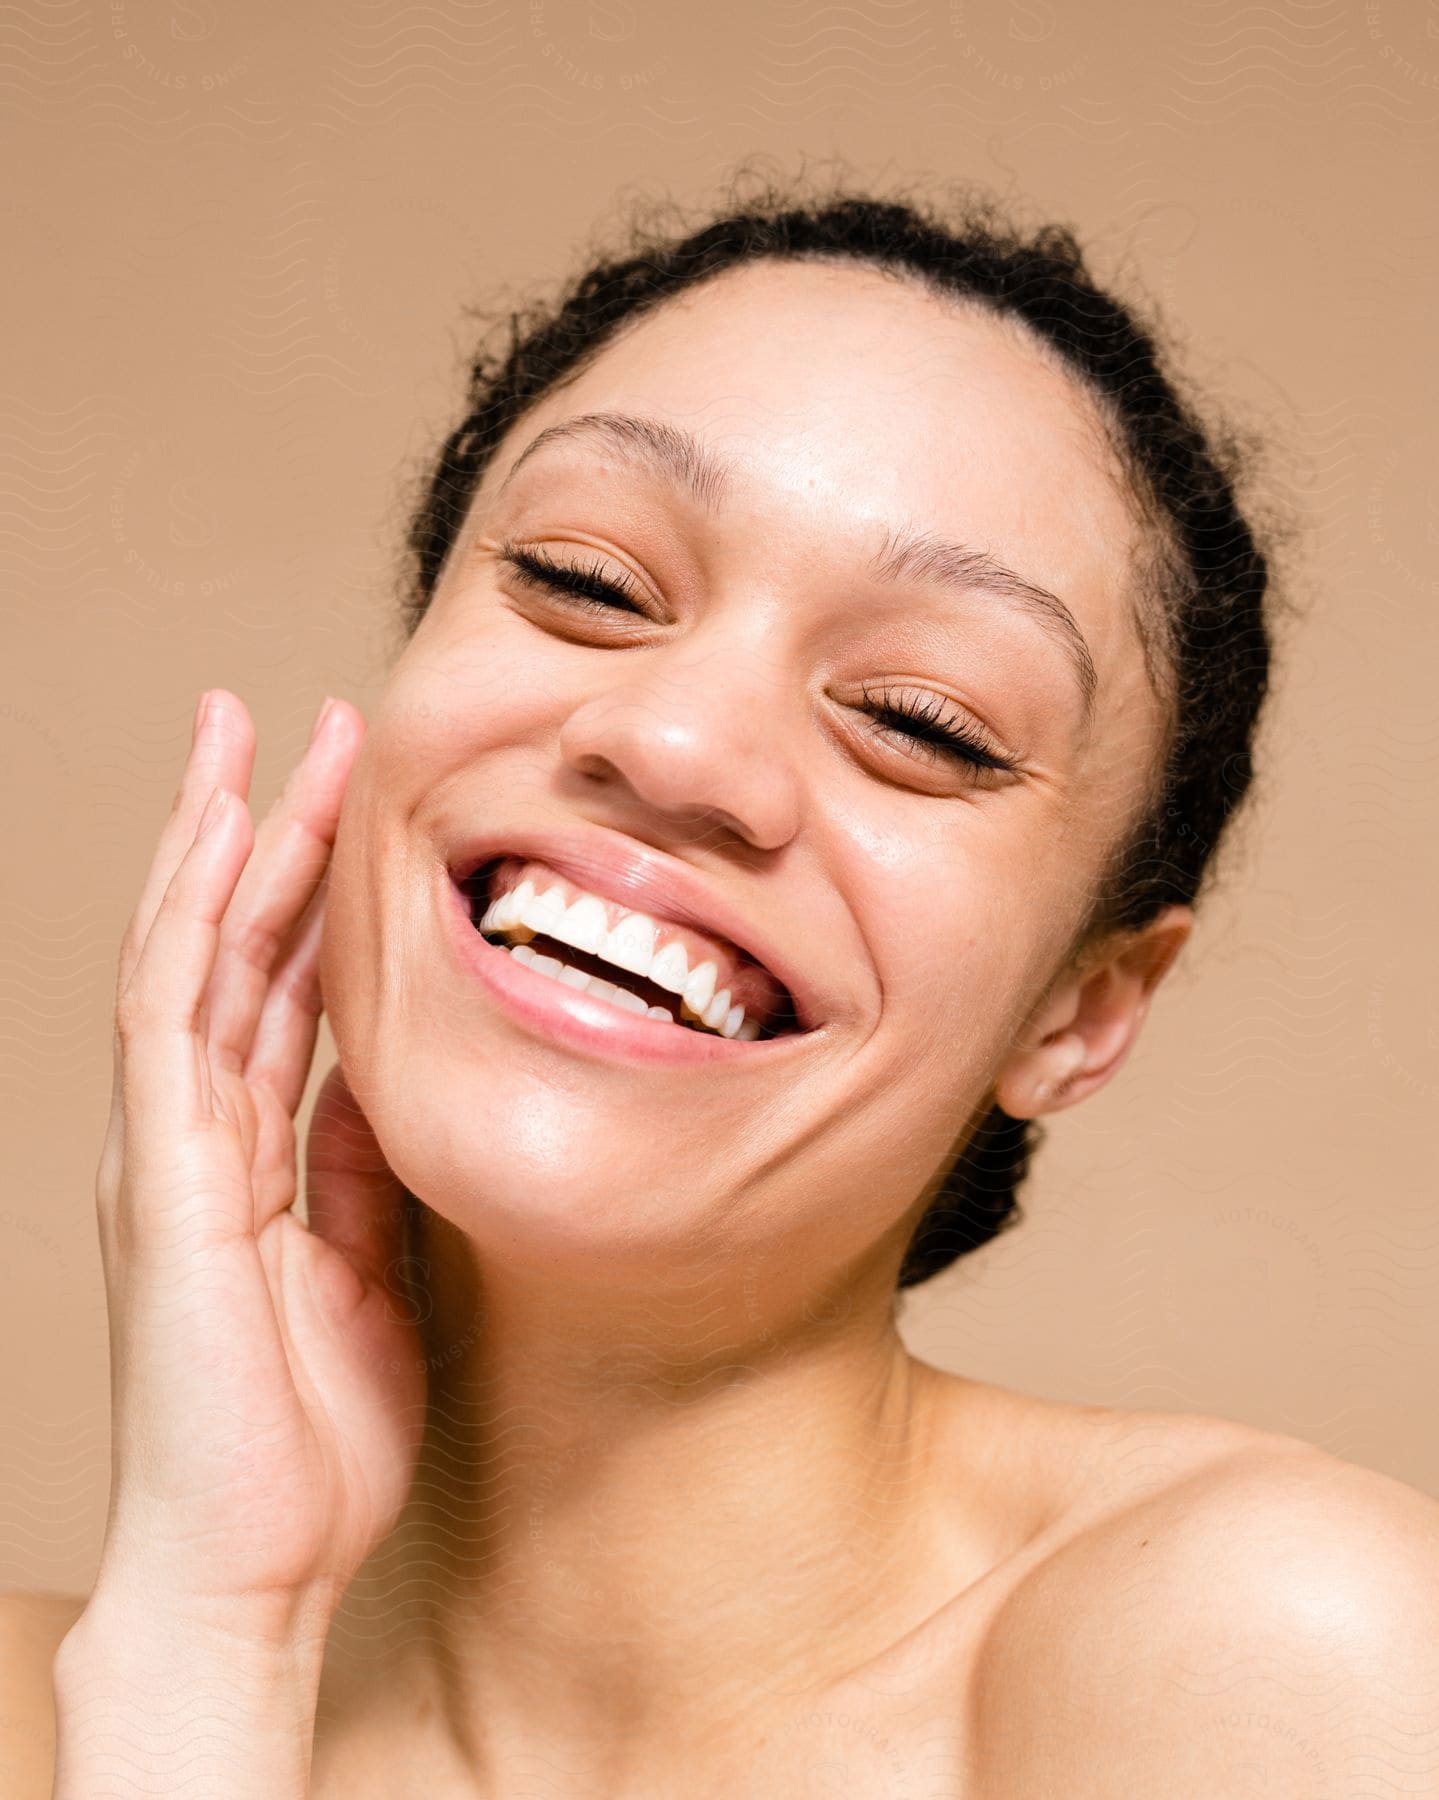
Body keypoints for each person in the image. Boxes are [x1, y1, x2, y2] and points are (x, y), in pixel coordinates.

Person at [14, 177, 1439, 1797]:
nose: (677, 745)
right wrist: (210, 1640)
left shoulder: (1272, 1658)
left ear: (1084, 1011)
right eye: (585, 580)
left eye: (924, 718)